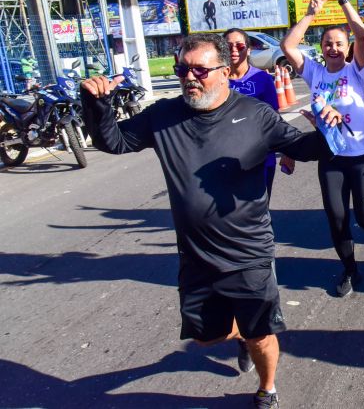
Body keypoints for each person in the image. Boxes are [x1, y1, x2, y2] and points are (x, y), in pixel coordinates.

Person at [80, 33, 344, 409]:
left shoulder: (256, 115)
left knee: (260, 334)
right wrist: (96, 105)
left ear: (224, 72)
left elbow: (302, 148)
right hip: (196, 255)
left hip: (248, 252)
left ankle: (267, 387)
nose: (190, 78)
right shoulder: (164, 115)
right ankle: (238, 335)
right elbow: (115, 142)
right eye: (182, 70)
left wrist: (327, 128)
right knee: (205, 338)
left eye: (200, 70)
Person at [281, 0, 364, 298]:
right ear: (321, 48)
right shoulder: (315, 74)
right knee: (336, 219)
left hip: (361, 156)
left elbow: (362, 34)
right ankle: (350, 270)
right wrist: (309, 15)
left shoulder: (356, 71)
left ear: (347, 48)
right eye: (328, 43)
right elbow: (289, 47)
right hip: (331, 156)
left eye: (338, 43)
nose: (334, 48)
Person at [224, 28, 286, 199]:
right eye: (228, 46)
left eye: (239, 46)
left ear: (249, 49)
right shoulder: (216, 80)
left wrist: (288, 150)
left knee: (259, 211)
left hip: (261, 158)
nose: (234, 50)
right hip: (223, 158)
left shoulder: (263, 79)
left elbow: (274, 119)